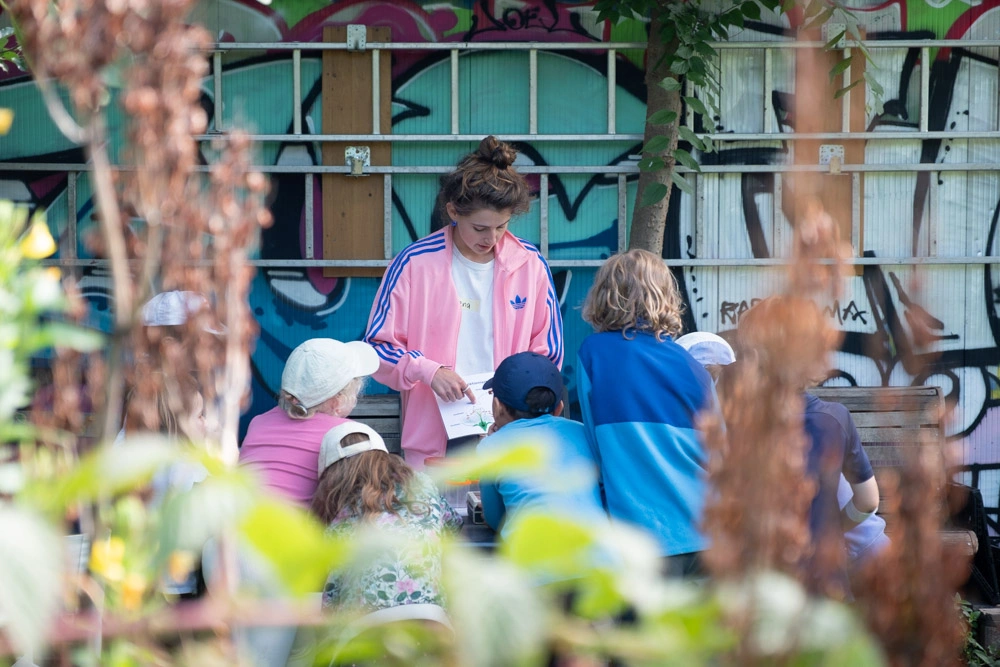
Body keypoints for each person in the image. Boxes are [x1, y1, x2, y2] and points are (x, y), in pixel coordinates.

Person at [363, 136, 564, 468]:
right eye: (480, 228)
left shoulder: (530, 264)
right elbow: (378, 346)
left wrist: (514, 406)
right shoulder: (414, 263)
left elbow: (549, 356)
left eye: (502, 226)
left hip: (510, 433)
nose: (492, 238)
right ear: (453, 211)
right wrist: (429, 371)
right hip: (434, 437)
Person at [576, 249, 714, 576]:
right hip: (707, 532)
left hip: (643, 537)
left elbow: (595, 448)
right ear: (665, 295)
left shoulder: (593, 354)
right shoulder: (693, 365)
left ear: (605, 295)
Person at [734, 296, 880, 591]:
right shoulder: (836, 419)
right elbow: (868, 500)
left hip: (758, 583)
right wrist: (833, 529)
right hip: (825, 579)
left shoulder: (738, 422)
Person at [312, 421, 463, 645]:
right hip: (433, 625)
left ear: (333, 479)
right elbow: (452, 523)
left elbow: (331, 599)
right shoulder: (423, 484)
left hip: (366, 634)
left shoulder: (339, 525)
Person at [476, 352, 604, 541]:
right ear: (559, 408)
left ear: (497, 406)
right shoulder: (584, 433)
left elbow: (495, 520)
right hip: (601, 561)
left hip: (536, 563)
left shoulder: (490, 449)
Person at [239, 338, 378, 508]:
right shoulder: (348, 435)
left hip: (237, 527)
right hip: (295, 531)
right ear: (337, 402)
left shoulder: (258, 422)